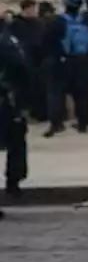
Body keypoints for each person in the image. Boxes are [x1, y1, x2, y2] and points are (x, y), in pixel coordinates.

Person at [42, 0, 88, 138]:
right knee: (81, 93)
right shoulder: (85, 20)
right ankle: (83, 122)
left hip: (60, 61)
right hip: (82, 60)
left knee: (55, 93)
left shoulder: (56, 21)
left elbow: (46, 41)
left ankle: (56, 123)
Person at [0, 16, 30, 210]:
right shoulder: (6, 40)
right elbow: (20, 67)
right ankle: (13, 182)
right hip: (4, 100)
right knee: (17, 139)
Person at [8, 0, 43, 124]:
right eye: (32, 9)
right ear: (25, 9)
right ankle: (22, 112)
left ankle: (37, 112)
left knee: (36, 87)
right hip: (22, 61)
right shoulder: (15, 24)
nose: (34, 11)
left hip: (37, 60)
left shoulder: (38, 23)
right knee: (21, 90)